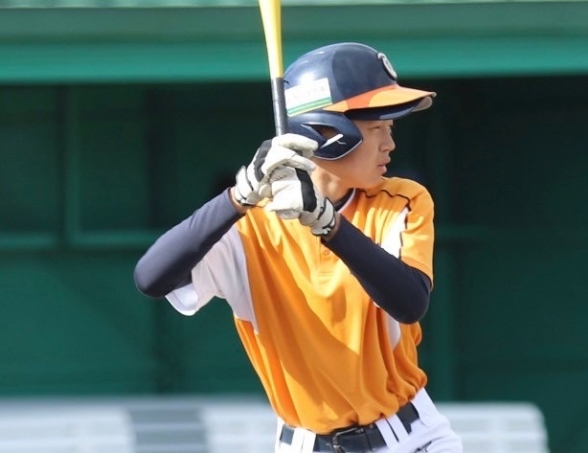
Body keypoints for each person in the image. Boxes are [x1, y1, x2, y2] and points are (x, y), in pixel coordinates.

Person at [134, 42, 463, 453]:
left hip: (409, 439)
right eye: (376, 128)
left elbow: (409, 301)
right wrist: (237, 197)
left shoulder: (401, 199)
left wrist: (329, 225)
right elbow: (150, 277)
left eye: (390, 129)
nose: (389, 144)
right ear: (327, 132)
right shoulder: (252, 225)